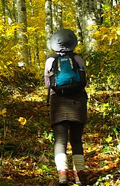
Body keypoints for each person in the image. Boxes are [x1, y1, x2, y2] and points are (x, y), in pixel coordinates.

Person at [44, 29, 89, 185]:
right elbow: (84, 80)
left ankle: (63, 176)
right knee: (76, 141)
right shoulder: (78, 59)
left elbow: (48, 84)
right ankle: (80, 176)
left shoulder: (50, 61)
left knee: (60, 141)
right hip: (78, 102)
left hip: (58, 103)